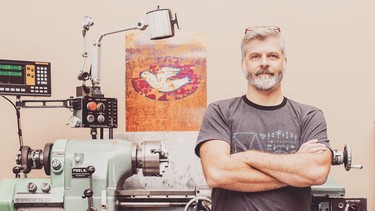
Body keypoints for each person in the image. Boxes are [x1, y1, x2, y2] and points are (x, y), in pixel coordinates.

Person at [194, 26, 332, 211]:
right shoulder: (220, 111)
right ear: (244, 63)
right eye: (255, 56)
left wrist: (247, 157)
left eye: (272, 56)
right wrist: (295, 169)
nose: (264, 63)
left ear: (284, 62)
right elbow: (217, 173)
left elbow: (316, 172)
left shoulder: (309, 116)